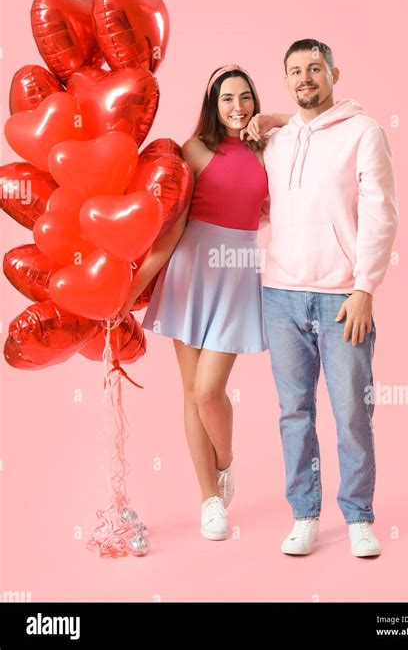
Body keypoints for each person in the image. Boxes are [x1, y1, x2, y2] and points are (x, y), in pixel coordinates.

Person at [242, 39, 399, 557]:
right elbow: (269, 206)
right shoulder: (281, 140)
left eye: (314, 68)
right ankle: (305, 515)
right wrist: (268, 124)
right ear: (286, 79)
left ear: (334, 72)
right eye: (295, 70)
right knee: (294, 412)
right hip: (281, 295)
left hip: (341, 299)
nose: (305, 77)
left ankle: (358, 516)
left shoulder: (364, 133)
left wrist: (365, 288)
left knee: (352, 411)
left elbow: (381, 214)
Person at [117, 65, 269, 541]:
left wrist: (273, 120)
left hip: (239, 270)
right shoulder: (195, 150)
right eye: (227, 98)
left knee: (209, 391)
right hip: (190, 270)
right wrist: (130, 288)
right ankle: (209, 500)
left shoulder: (271, 149)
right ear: (212, 103)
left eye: (245, 97)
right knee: (190, 392)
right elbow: (174, 227)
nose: (237, 107)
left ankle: (225, 463)